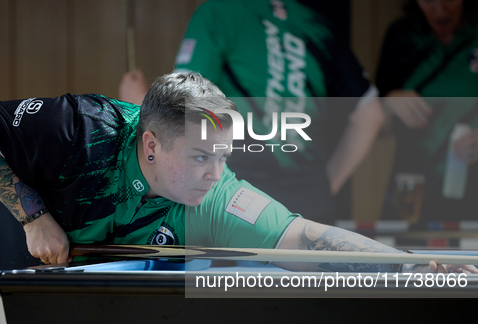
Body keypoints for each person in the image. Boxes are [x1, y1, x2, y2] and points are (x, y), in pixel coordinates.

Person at [0, 72, 476, 324]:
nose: (216, 173)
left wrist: (405, 264)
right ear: (152, 147)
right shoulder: (79, 127)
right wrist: (34, 217)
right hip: (19, 225)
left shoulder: (216, 196)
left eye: (224, 156)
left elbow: (306, 237)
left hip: (85, 265)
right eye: (203, 156)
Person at [119, 0, 385, 224]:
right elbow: (371, 115)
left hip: (239, 205)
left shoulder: (220, 11)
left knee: (239, 287)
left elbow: (182, 114)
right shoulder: (319, 27)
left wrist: (140, 103)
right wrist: (326, 187)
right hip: (312, 210)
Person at [376, 0, 478, 223]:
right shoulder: (402, 35)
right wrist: (389, 101)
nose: (439, 10)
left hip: (474, 185)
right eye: (428, 0)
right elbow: (369, 119)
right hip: (412, 185)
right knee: (400, 254)